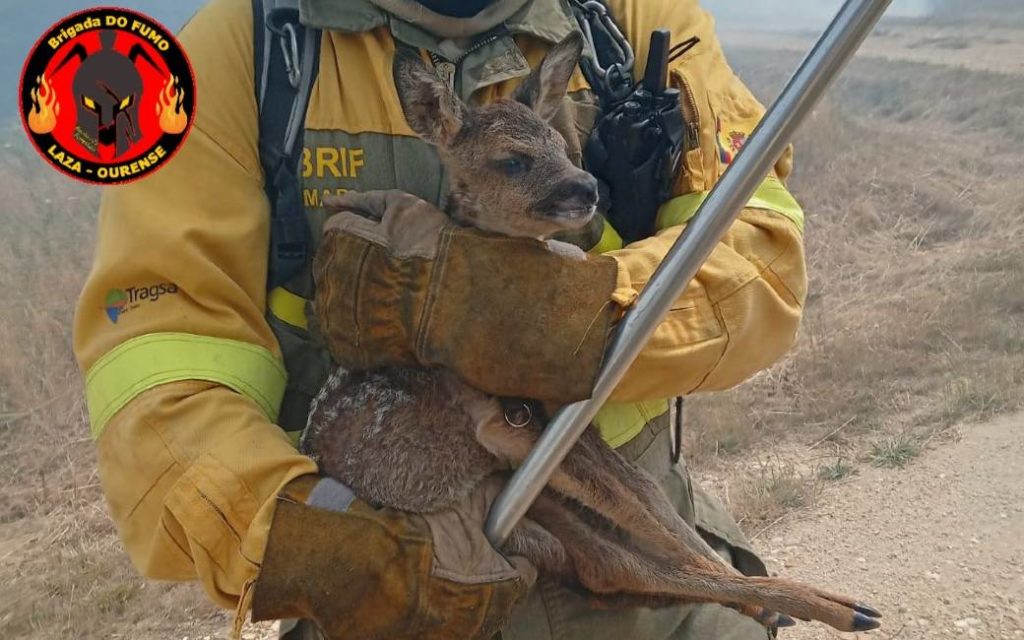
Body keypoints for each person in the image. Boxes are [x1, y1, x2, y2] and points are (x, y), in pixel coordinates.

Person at [73, 0, 808, 638]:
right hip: (403, 599)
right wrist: (305, 535)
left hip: (650, 582)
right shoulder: (242, 53)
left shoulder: (628, 24)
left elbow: (763, 256)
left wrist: (577, 317)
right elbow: (160, 357)